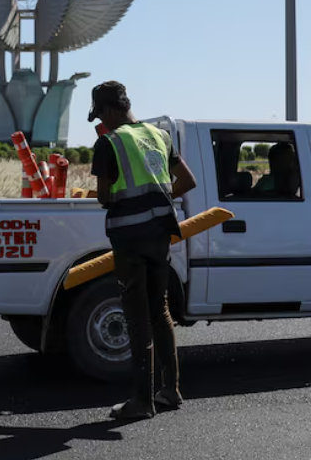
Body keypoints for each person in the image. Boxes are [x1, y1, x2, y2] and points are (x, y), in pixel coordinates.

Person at [88, 81, 197, 420]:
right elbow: (187, 181)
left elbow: (104, 196)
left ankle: (141, 401)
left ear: (108, 111)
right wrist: (158, 197)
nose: (101, 122)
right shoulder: (159, 135)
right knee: (159, 310)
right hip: (159, 235)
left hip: (130, 239)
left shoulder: (108, 143)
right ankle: (171, 389)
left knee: (136, 316)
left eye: (100, 115)